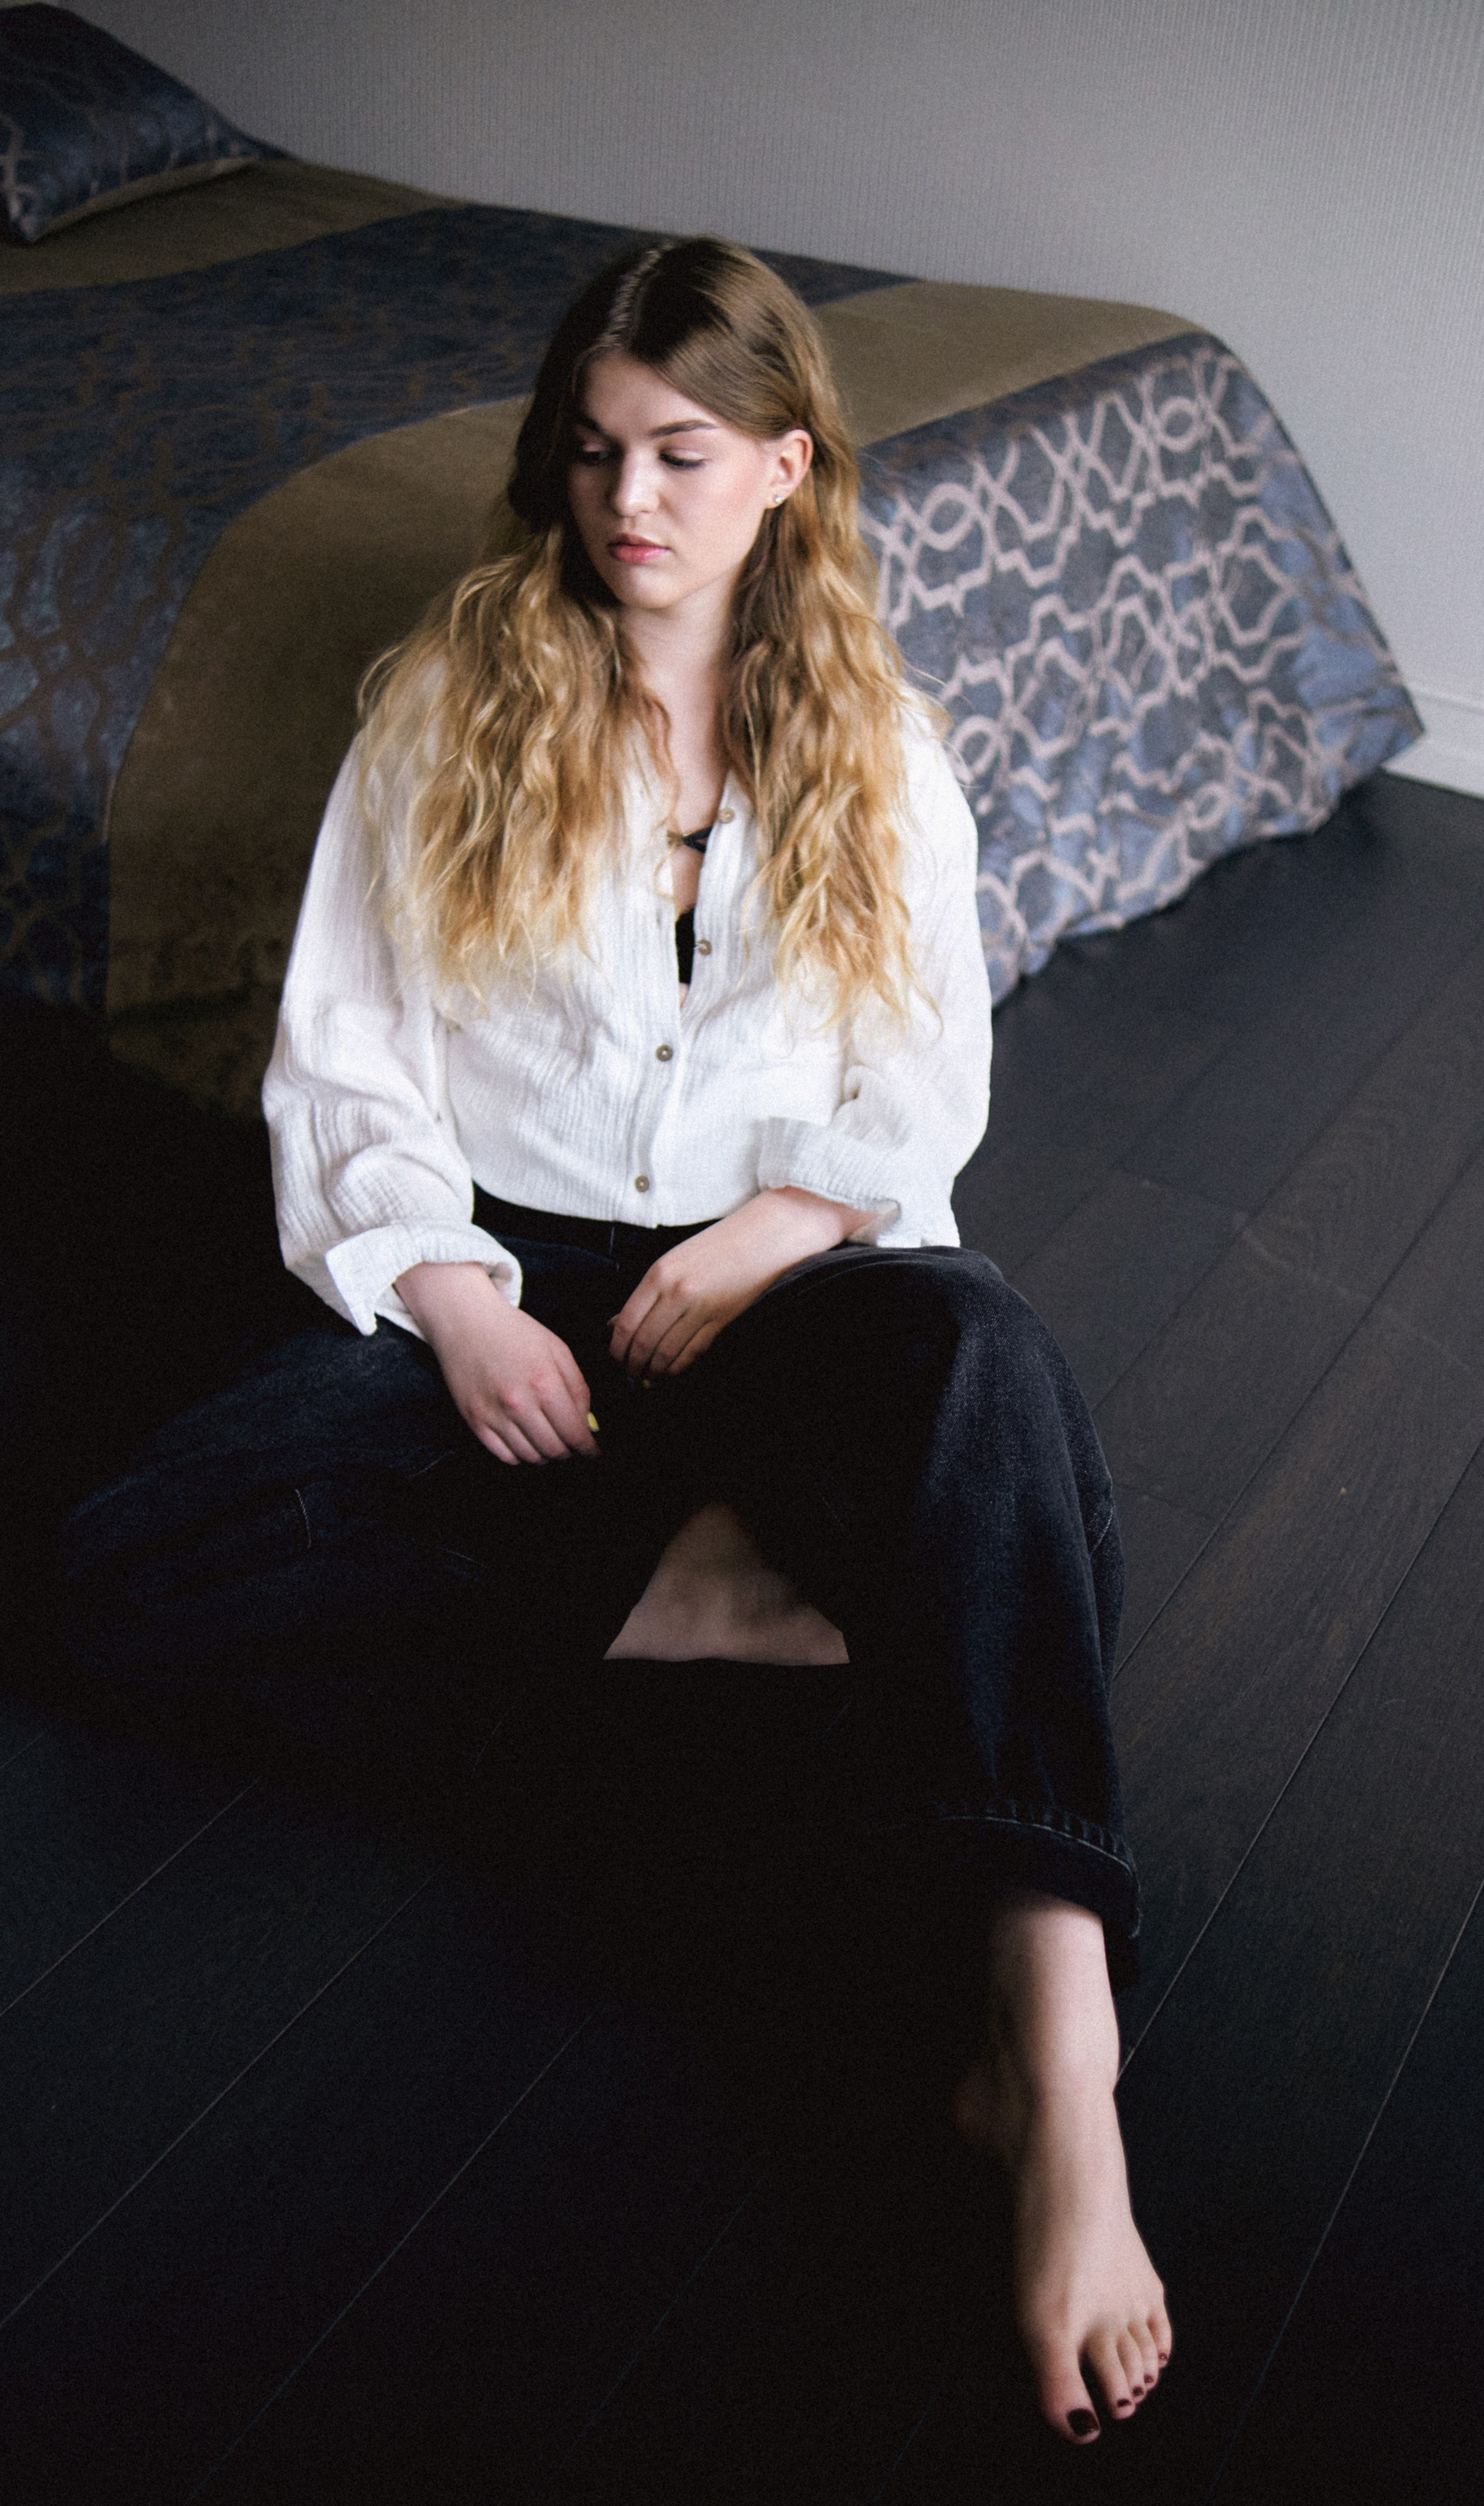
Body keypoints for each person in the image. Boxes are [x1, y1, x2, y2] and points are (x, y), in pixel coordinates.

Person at [58, 237, 1171, 2444]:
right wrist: (454, 1299)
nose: (627, 501)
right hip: (501, 1278)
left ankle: (1058, 2059)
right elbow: (347, 1064)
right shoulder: (444, 703)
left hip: (777, 1277)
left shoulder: (877, 742)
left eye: (679, 453)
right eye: (592, 453)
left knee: (988, 1372)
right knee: (132, 1560)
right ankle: (720, 1601)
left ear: (786, 465)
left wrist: (773, 1233)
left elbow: (921, 1083)